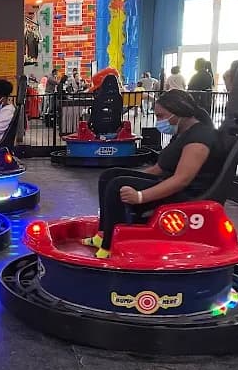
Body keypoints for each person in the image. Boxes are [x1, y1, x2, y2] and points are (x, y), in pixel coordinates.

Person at [82, 90, 223, 258]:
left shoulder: (200, 137)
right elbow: (158, 169)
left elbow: (181, 180)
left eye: (161, 116)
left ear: (178, 111)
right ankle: (103, 234)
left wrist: (140, 196)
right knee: (110, 176)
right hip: (171, 183)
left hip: (186, 193)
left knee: (116, 186)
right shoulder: (183, 133)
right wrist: (130, 179)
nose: (159, 121)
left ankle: (109, 247)